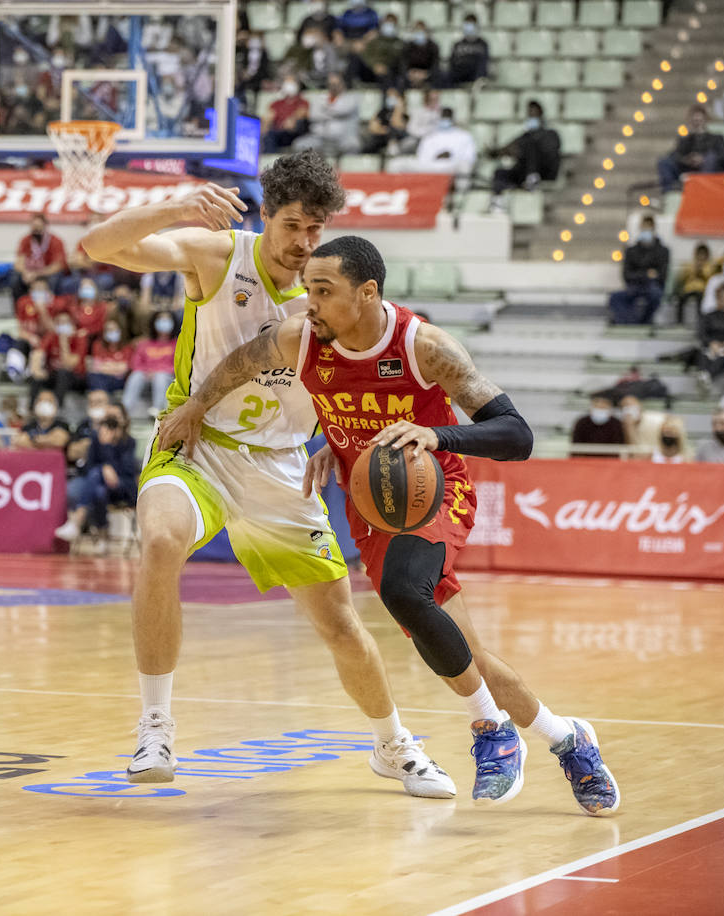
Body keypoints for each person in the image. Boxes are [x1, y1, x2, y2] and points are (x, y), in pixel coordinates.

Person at [159, 232, 619, 815]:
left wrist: (436, 435)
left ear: (367, 292)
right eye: (307, 290)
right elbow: (238, 364)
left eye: (323, 291)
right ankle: (568, 738)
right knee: (465, 654)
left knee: (404, 591)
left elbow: (517, 435)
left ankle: (491, 730)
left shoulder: (424, 347)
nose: (309, 303)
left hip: (435, 492)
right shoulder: (301, 339)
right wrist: (197, 407)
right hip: (372, 505)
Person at [79, 152, 457, 798]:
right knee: (162, 541)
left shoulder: (335, 296)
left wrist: (338, 441)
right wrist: (175, 207)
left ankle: (393, 744)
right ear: (266, 215)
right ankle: (156, 727)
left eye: (315, 229)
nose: (304, 242)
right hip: (198, 442)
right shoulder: (219, 255)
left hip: (282, 466)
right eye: (292, 226)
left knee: (340, 625)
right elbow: (97, 245)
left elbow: (372, 381)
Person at [55, 403, 139, 542]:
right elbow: (89, 466)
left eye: (116, 417)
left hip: (122, 486)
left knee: (96, 475)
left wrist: (107, 451)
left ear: (124, 419)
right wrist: (104, 465)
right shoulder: (97, 438)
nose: (112, 421)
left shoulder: (129, 442)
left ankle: (78, 520)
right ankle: (102, 530)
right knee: (99, 491)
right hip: (99, 485)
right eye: (109, 417)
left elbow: (127, 470)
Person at [489, 101, 561, 208]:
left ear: (540, 115)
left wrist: (521, 151)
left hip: (544, 172)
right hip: (524, 173)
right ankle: (497, 202)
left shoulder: (551, 134)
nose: (531, 117)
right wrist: (496, 152)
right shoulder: (527, 135)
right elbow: (510, 146)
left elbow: (550, 155)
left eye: (533, 114)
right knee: (500, 173)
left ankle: (532, 177)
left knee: (531, 144)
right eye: (529, 114)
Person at [609, 215, 670, 325]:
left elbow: (662, 275)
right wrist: (646, 274)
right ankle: (629, 321)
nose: (646, 230)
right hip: (635, 286)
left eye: (649, 227)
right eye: (644, 227)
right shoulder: (631, 251)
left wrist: (643, 275)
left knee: (655, 295)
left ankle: (644, 321)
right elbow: (626, 275)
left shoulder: (662, 251)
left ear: (654, 228)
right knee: (615, 297)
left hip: (652, 287)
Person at [658, 105, 724, 192]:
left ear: (705, 120)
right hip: (688, 168)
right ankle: (670, 189)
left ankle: (703, 186)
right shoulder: (685, 139)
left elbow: (723, 155)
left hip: (709, 169)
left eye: (699, 121)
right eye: (695, 121)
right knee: (664, 161)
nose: (697, 123)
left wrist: (703, 159)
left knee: (711, 157)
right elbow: (676, 155)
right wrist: (687, 160)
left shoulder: (716, 138)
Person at [123, 310, 178, 418]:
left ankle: (158, 409)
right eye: (160, 320)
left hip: (167, 377)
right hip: (146, 375)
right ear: (154, 322)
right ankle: (125, 409)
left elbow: (178, 365)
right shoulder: (144, 343)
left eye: (167, 320)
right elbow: (136, 363)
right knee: (136, 376)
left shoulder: (178, 343)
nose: (164, 323)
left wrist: (157, 371)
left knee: (160, 377)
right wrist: (147, 371)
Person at [12, 214, 69, 299]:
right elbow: (19, 262)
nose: (36, 230)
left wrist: (36, 274)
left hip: (46, 273)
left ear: (45, 226)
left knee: (54, 278)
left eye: (39, 227)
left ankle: (51, 305)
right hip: (29, 272)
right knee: (15, 278)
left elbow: (57, 266)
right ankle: (21, 305)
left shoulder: (55, 241)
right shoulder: (26, 240)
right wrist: (25, 273)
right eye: (34, 227)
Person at [413, 108, 476, 178]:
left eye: (447, 117)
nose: (445, 120)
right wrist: (438, 158)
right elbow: (422, 159)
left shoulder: (465, 136)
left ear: (453, 119)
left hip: (455, 173)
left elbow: (469, 159)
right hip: (431, 173)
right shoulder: (429, 137)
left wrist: (450, 159)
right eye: (443, 117)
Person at [673, 243, 717, 325]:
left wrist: (702, 270)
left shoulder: (710, 266)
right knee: (680, 298)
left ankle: (700, 323)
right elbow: (681, 278)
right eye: (699, 254)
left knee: (700, 300)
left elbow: (710, 279)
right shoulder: (690, 265)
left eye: (703, 254)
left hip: (702, 291)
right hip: (689, 290)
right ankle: (679, 322)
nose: (701, 257)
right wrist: (693, 270)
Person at [264, 79, 310, 152]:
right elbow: (269, 117)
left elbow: (302, 112)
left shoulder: (302, 102)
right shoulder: (276, 103)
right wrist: (265, 127)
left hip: (294, 132)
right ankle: (269, 156)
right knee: (269, 135)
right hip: (278, 132)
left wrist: (292, 119)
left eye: (291, 83)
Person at [446, 14, 489, 86]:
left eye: (471, 25)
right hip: (459, 78)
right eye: (467, 25)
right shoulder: (457, 45)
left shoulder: (483, 44)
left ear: (476, 26)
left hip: (476, 79)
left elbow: (484, 64)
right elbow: (452, 64)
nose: (469, 27)